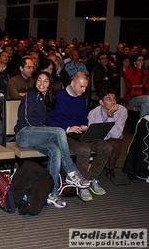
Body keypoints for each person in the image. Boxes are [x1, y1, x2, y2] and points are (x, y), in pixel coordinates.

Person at [14, 71, 91, 208]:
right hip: (24, 134)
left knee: (56, 151)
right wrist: (45, 131)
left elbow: (48, 122)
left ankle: (52, 193)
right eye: (39, 80)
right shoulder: (30, 95)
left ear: (50, 85)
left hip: (37, 136)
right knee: (59, 131)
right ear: (35, 81)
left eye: (45, 81)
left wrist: (45, 131)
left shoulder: (47, 100)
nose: (41, 83)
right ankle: (71, 171)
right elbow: (25, 119)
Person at [48, 72, 112, 202]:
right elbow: (49, 121)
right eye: (81, 86)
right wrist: (67, 128)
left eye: (85, 87)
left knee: (106, 147)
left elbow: (83, 118)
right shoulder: (57, 96)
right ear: (72, 83)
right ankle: (82, 186)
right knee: (84, 150)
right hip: (62, 133)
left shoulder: (81, 98)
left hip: (78, 132)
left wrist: (84, 125)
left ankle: (89, 178)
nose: (84, 90)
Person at [88, 89, 127, 178]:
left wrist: (111, 116)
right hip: (98, 139)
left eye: (114, 99)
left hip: (112, 138)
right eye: (109, 99)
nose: (113, 102)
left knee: (116, 143)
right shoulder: (93, 113)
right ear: (101, 102)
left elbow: (117, 134)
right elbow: (92, 135)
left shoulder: (122, 111)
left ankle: (110, 168)